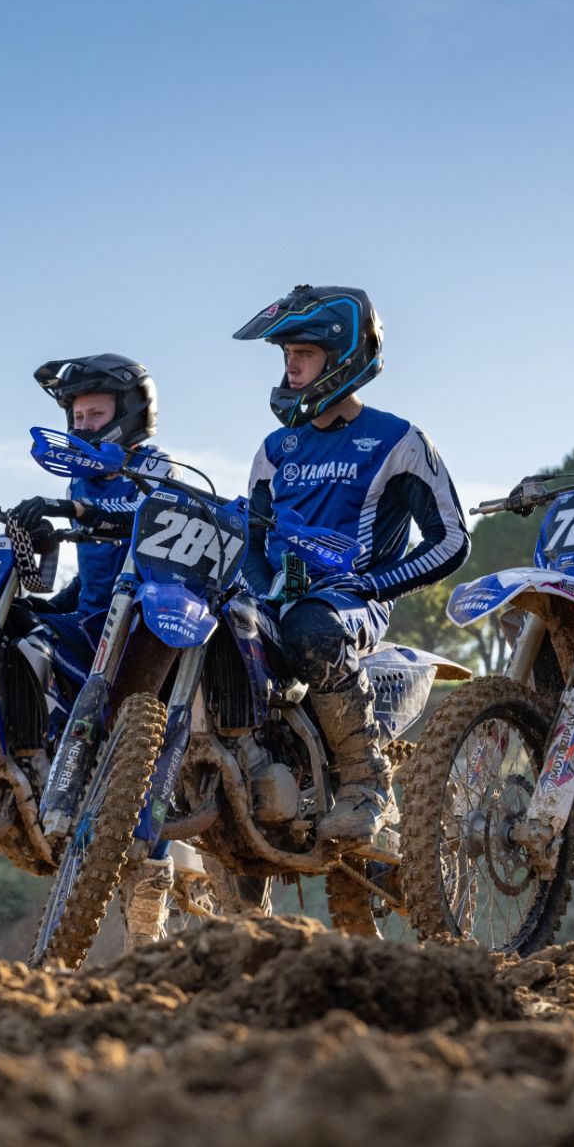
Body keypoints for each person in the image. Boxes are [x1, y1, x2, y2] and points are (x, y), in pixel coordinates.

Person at [234, 284, 469, 843]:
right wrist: (261, 595)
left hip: (346, 605)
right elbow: (249, 542)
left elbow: (451, 540)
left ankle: (368, 783)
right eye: (286, 356)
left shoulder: (398, 439)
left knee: (309, 628)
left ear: (343, 358)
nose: (291, 368)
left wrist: (372, 586)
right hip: (277, 599)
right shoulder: (274, 447)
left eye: (304, 355)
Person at [4, 354, 175, 945]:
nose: (81, 426)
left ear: (127, 415)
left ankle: (152, 886)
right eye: (75, 416)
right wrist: (55, 600)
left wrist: (72, 510)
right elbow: (95, 574)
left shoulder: (153, 466)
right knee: (19, 637)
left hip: (151, 627)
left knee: (143, 742)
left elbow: (138, 513)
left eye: (94, 414)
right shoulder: (81, 479)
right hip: (96, 617)